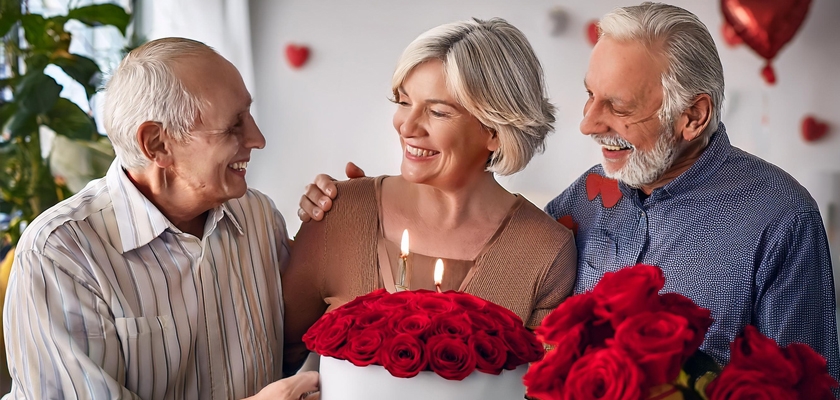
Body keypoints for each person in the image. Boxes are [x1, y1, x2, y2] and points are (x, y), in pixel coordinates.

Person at [299, 2, 840, 381]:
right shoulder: (578, 203)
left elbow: (805, 384)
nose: (587, 125)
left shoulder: (778, 217)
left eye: (618, 107)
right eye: (589, 96)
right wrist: (365, 210)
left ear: (693, 116)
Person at [3, 38, 318, 399]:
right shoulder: (59, 254)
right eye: (234, 126)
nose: (258, 139)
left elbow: (298, 348)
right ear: (157, 144)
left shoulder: (259, 216)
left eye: (248, 115)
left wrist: (343, 220)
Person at [282, 18, 577, 374]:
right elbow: (278, 356)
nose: (407, 127)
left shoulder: (545, 250)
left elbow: (541, 388)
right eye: (404, 102)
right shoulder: (337, 211)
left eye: (437, 112)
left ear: (496, 131)